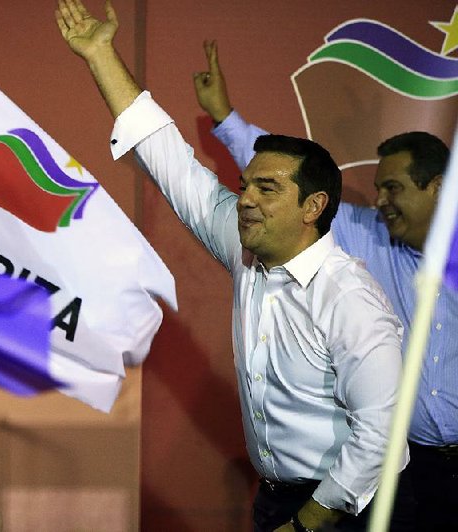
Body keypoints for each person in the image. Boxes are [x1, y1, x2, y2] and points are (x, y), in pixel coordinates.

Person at [55, 1, 406, 530]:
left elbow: (382, 435)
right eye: (245, 187)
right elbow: (167, 157)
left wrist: (308, 521)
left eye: (268, 189)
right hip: (273, 502)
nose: (244, 200)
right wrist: (101, 54)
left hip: (343, 509)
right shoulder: (246, 248)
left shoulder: (350, 298)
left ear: (312, 208)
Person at [194, 39, 457, 531]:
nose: (379, 200)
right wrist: (225, 118)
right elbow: (288, 188)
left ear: (438, 189)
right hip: (402, 473)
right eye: (377, 189)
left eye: (393, 188)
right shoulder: (366, 235)